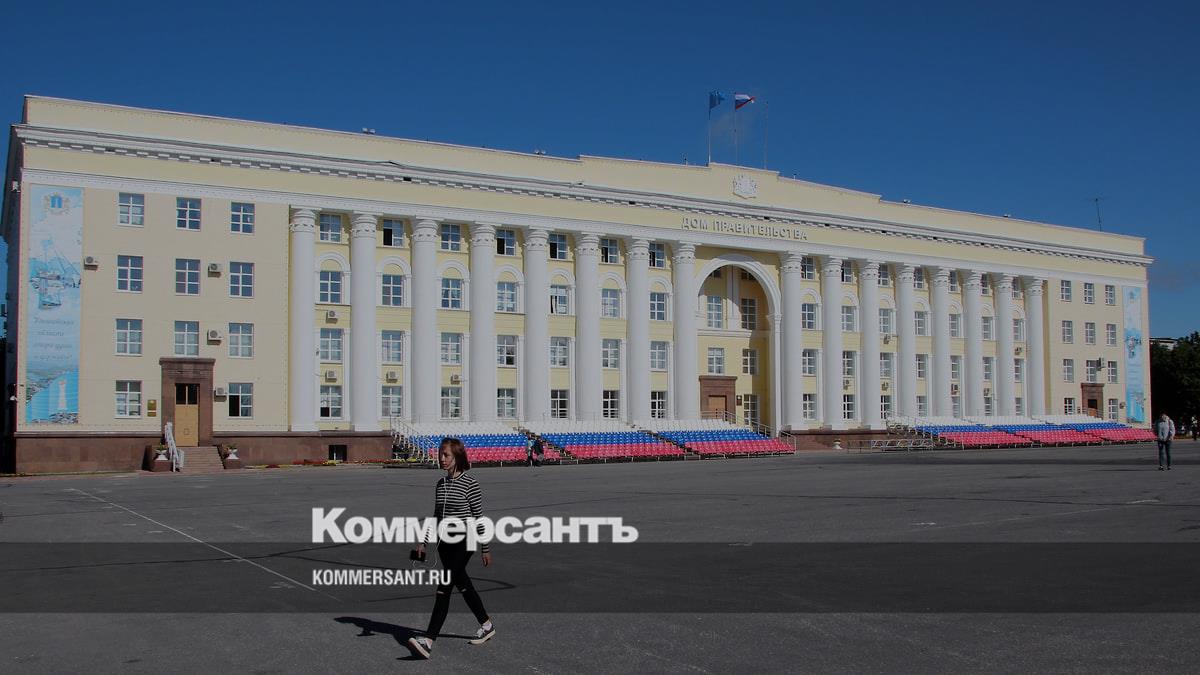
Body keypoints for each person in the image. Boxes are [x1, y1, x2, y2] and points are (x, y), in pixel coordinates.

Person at [408, 437, 495, 659]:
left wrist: (485, 548)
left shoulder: (470, 483)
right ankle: (486, 625)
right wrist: (423, 542)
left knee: (444, 588)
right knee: (463, 584)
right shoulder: (441, 484)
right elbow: (436, 516)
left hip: (465, 541)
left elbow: (479, 518)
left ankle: (428, 641)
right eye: (441, 454)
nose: (442, 458)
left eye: (446, 455)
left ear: (457, 457)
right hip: (444, 544)